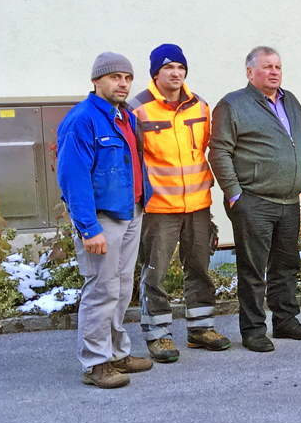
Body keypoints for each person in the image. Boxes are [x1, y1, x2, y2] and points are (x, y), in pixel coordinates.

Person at [208, 46, 301, 353]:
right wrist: (234, 194)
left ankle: (286, 321)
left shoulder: (291, 101)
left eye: (278, 67)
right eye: (267, 66)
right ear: (249, 72)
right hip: (253, 201)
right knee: (253, 270)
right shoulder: (233, 105)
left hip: (288, 201)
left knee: (287, 265)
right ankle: (254, 330)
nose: (274, 72)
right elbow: (218, 151)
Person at [57, 52, 155, 388]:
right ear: (96, 81)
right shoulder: (82, 119)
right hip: (101, 220)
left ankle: (116, 352)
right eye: (115, 77)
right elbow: (73, 178)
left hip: (131, 213)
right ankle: (95, 364)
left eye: (127, 78)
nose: (123, 83)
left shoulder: (125, 116)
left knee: (122, 287)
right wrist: (88, 227)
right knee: (101, 290)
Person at [129, 43, 231, 362]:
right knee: (155, 272)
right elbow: (132, 159)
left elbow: (205, 150)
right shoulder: (137, 109)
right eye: (169, 68)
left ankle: (201, 330)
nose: (176, 73)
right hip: (158, 208)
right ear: (156, 73)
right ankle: (158, 335)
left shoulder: (200, 106)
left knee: (199, 267)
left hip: (198, 204)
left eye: (181, 68)